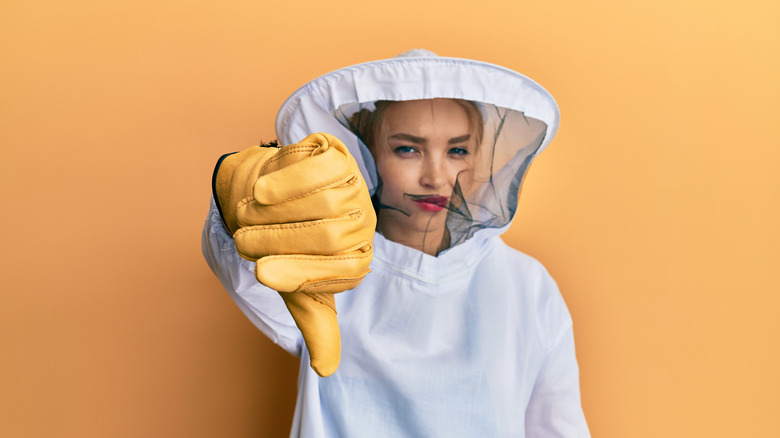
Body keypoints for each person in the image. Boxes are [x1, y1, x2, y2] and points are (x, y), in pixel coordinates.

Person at [202, 49, 590, 437]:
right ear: (368, 156)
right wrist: (237, 199)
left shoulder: (527, 285)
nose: (436, 177)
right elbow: (247, 266)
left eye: (457, 150)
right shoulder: (324, 264)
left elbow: (557, 427)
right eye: (408, 149)